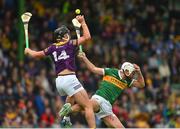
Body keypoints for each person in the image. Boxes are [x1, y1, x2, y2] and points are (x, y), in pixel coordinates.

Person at [24, 15, 96, 128]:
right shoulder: (70, 44)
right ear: (62, 37)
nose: (68, 35)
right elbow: (87, 37)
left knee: (71, 96)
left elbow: (36, 54)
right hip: (70, 78)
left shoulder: (52, 47)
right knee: (88, 106)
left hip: (59, 82)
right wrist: (83, 22)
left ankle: (66, 119)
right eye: (66, 34)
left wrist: (28, 50)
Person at [60, 52, 145, 128]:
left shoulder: (128, 81)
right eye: (133, 72)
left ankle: (68, 110)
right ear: (126, 69)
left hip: (107, 108)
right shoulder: (111, 71)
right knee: (88, 105)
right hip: (99, 99)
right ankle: (68, 111)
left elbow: (141, 85)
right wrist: (84, 58)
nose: (133, 74)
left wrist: (139, 72)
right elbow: (93, 69)